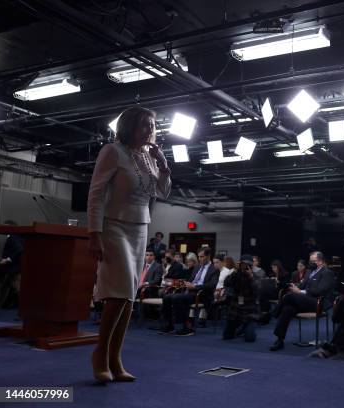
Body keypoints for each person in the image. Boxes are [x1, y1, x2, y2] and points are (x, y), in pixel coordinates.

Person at [87, 106, 171, 383]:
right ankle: (100, 354)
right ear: (129, 126)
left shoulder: (148, 156)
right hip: (113, 226)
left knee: (129, 298)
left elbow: (161, 191)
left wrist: (162, 164)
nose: (149, 130)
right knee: (119, 293)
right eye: (144, 125)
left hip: (140, 228)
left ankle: (115, 358)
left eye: (152, 126)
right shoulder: (113, 151)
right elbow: (96, 193)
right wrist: (94, 233)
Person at [270, 251, 335, 351]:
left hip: (318, 302)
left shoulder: (327, 273)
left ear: (320, 261)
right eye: (310, 261)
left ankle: (271, 314)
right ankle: (279, 340)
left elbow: (320, 291)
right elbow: (302, 286)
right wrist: (295, 287)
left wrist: (300, 291)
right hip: (304, 301)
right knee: (288, 309)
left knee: (289, 297)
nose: (310, 263)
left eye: (313, 261)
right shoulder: (309, 272)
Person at [159, 248, 218, 335]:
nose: (199, 259)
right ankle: (169, 325)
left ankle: (187, 326)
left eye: (202, 257)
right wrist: (185, 283)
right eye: (198, 256)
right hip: (190, 291)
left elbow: (212, 285)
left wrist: (195, 286)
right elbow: (190, 280)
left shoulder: (214, 269)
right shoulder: (197, 267)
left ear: (208, 256)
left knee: (177, 298)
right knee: (167, 297)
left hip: (202, 294)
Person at [222, 255, 259, 342]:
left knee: (250, 338)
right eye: (243, 264)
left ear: (251, 265)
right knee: (226, 336)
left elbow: (258, 290)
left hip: (249, 310)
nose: (245, 266)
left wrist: (251, 277)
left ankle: (246, 327)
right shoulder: (236, 274)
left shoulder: (256, 276)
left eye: (247, 265)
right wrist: (234, 271)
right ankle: (242, 327)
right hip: (235, 309)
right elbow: (226, 283)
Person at [0, 220, 24, 309]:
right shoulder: (18, 237)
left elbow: (19, 250)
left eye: (5, 226)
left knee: (17, 288)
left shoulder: (12, 238)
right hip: (15, 268)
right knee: (6, 288)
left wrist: (7, 259)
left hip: (14, 269)